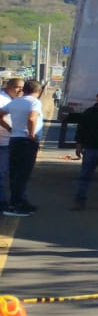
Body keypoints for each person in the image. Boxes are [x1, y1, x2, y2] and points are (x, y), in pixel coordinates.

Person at [2, 80, 44, 216]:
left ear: (24, 89)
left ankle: (19, 202)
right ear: (38, 91)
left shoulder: (15, 101)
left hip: (14, 140)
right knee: (22, 174)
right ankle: (16, 205)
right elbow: (32, 118)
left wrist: (10, 128)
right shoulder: (34, 102)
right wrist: (31, 135)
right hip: (26, 142)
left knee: (16, 173)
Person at [0, 78, 19, 212]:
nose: (20, 91)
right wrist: (11, 129)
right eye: (18, 87)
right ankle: (2, 203)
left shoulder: (9, 98)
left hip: (7, 141)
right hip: (2, 142)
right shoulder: (2, 99)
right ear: (9, 87)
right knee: (2, 173)